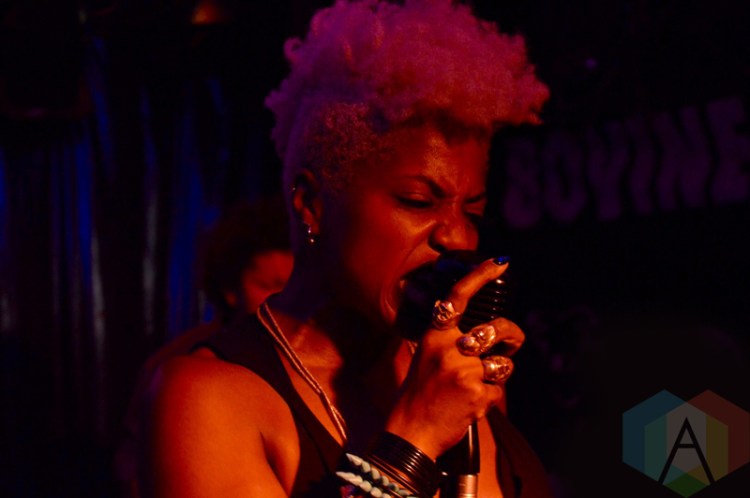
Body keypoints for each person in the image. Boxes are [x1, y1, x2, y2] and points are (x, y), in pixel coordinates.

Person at [141, 1, 551, 497]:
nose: (459, 238)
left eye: (473, 212)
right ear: (313, 204)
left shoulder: (448, 377)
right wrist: (415, 439)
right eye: (417, 201)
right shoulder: (204, 397)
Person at [115, 196, 293, 497]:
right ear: (230, 289)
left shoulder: (310, 362)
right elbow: (131, 469)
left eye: (290, 287)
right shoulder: (180, 363)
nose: (281, 300)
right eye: (266, 286)